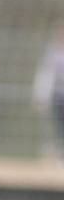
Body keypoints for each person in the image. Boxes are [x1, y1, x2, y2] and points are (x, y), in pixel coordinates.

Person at [33, 23, 64, 161]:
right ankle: (58, 155)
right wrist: (41, 95)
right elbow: (46, 75)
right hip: (59, 95)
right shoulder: (53, 53)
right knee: (59, 127)